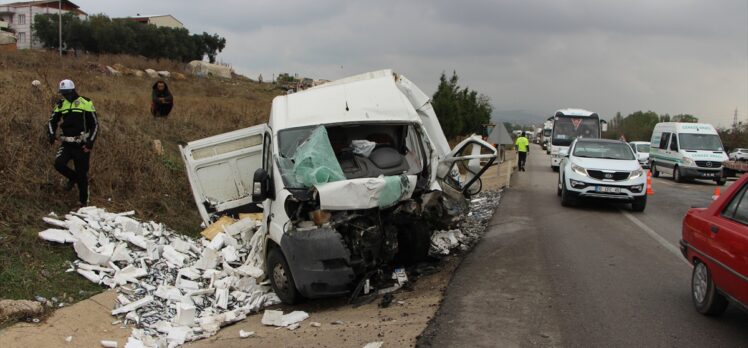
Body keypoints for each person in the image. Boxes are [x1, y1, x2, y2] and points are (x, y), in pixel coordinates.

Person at [47, 79, 99, 206]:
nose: (65, 96)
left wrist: (90, 142)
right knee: (59, 164)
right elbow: (51, 121)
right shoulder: (60, 104)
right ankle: (72, 177)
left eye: (67, 93)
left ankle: (83, 203)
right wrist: (51, 134)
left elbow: (95, 124)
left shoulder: (85, 102)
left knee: (82, 174)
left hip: (82, 145)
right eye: (63, 93)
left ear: (73, 91)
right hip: (66, 143)